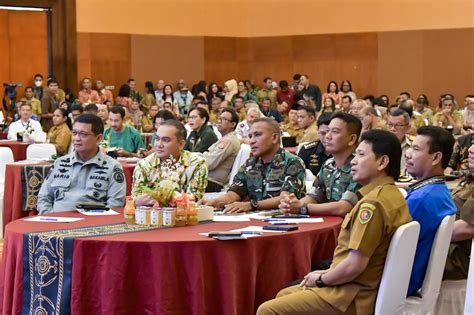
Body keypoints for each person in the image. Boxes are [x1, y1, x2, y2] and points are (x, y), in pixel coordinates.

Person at [257, 129, 411, 315]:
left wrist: (322, 279)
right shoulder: (392, 195)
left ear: (382, 162)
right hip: (361, 288)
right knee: (285, 294)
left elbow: (355, 266)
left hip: (351, 296)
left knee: (268, 310)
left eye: (361, 155)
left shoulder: (372, 205)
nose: (353, 161)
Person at [202, 117, 306, 213]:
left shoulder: (293, 162)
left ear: (274, 137)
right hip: (255, 219)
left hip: (284, 219)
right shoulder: (250, 164)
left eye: (258, 135)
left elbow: (286, 198)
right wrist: (213, 202)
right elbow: (233, 194)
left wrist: (251, 205)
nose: (251, 141)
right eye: (250, 136)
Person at [404, 126, 457, 296]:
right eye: (411, 147)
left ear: (435, 158)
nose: (408, 153)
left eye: (416, 149)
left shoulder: (421, 199)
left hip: (401, 281)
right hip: (413, 277)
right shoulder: (438, 191)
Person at [37, 114, 126, 213]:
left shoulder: (112, 167)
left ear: (98, 139)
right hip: (56, 221)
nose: (76, 138)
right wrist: (50, 218)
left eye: (83, 134)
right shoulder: (60, 163)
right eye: (74, 133)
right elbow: (44, 197)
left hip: (92, 224)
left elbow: (115, 204)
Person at [280, 112, 362, 217]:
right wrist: (292, 204)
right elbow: (315, 196)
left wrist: (302, 208)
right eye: (327, 131)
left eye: (335, 132)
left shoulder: (359, 167)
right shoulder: (329, 164)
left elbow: (344, 207)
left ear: (351, 139)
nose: (327, 137)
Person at [132, 119, 208, 203]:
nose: (159, 145)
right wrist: (138, 201)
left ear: (181, 144)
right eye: (157, 139)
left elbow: (194, 199)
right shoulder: (144, 165)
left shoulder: (197, 164)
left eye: (165, 140)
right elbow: (135, 199)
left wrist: (159, 197)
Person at [443, 143, 474, 280]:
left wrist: (423, 235)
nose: (470, 150)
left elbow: (466, 229)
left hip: (458, 257)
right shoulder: (470, 177)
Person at [204, 107, 241, 192]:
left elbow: (209, 163)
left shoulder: (228, 140)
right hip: (208, 181)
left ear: (233, 124)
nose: (219, 121)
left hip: (210, 183)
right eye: (219, 118)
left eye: (224, 119)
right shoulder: (226, 138)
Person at [386, 108, 413, 176]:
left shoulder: (414, 144)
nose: (393, 129)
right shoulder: (378, 144)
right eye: (390, 124)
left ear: (408, 127)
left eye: (397, 125)